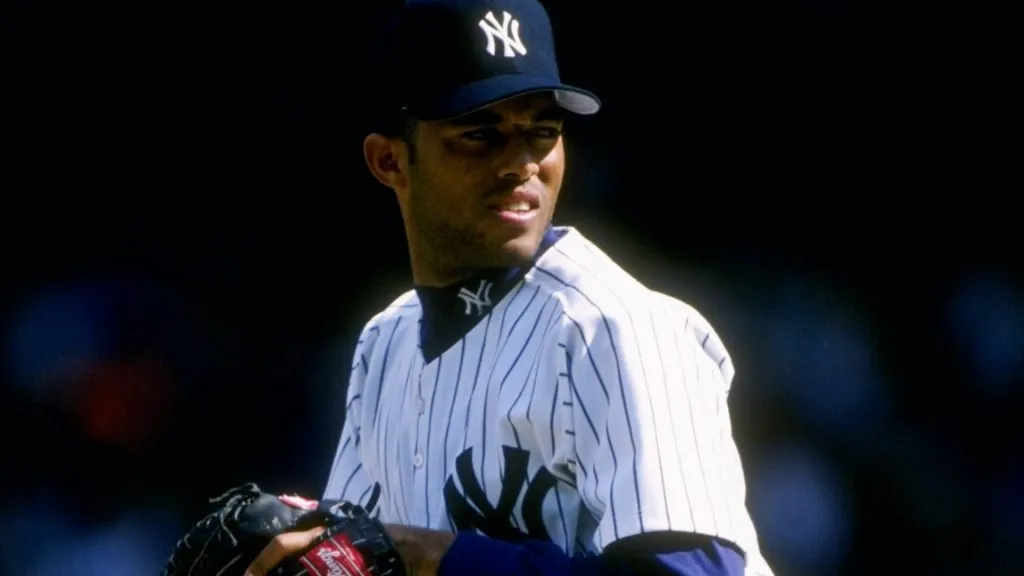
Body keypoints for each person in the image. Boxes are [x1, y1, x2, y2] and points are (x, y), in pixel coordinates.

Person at [244, 0, 775, 574]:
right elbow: (366, 560)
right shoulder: (385, 342)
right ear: (390, 161)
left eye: (541, 131)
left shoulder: (618, 328)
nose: (521, 163)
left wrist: (440, 559)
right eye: (480, 134)